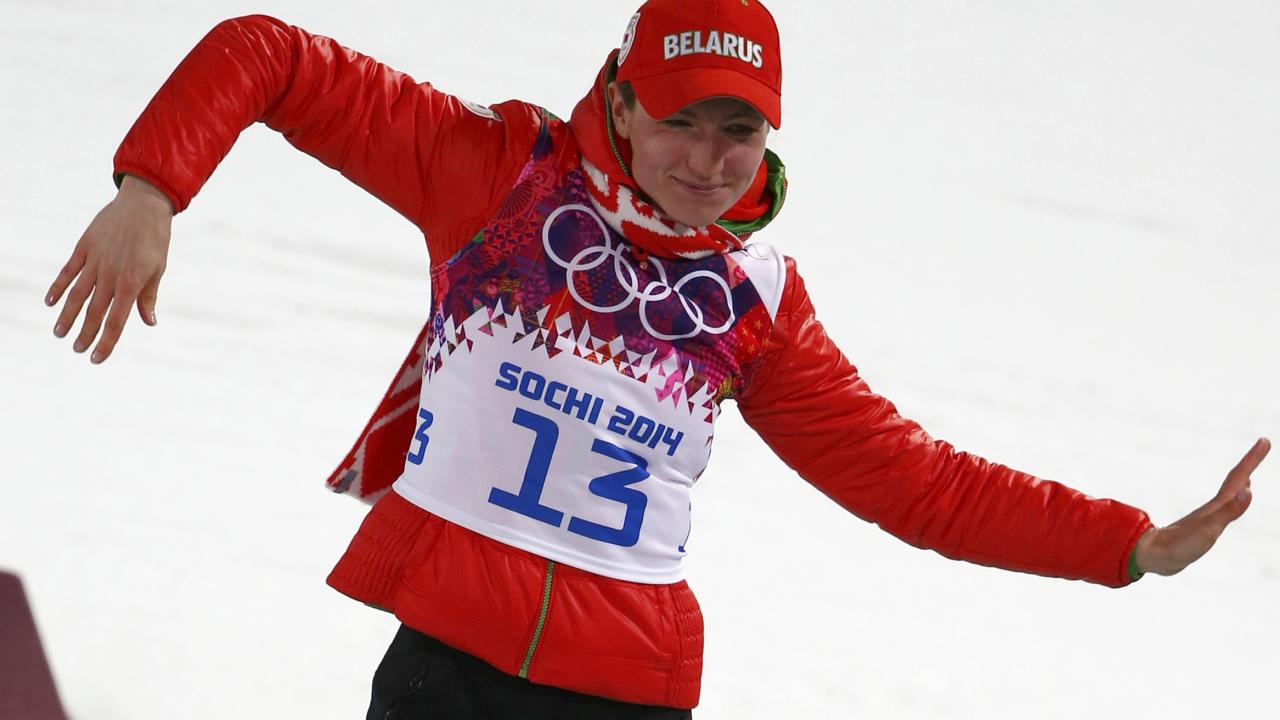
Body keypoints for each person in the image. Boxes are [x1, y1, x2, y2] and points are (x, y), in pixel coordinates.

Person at [44, 1, 1269, 717]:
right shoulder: (497, 175)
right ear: (621, 101)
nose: (708, 158)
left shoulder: (755, 302)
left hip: (625, 691)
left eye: (738, 130)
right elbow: (270, 54)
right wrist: (151, 187)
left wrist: (1127, 545)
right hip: (444, 674)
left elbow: (913, 482)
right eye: (681, 119)